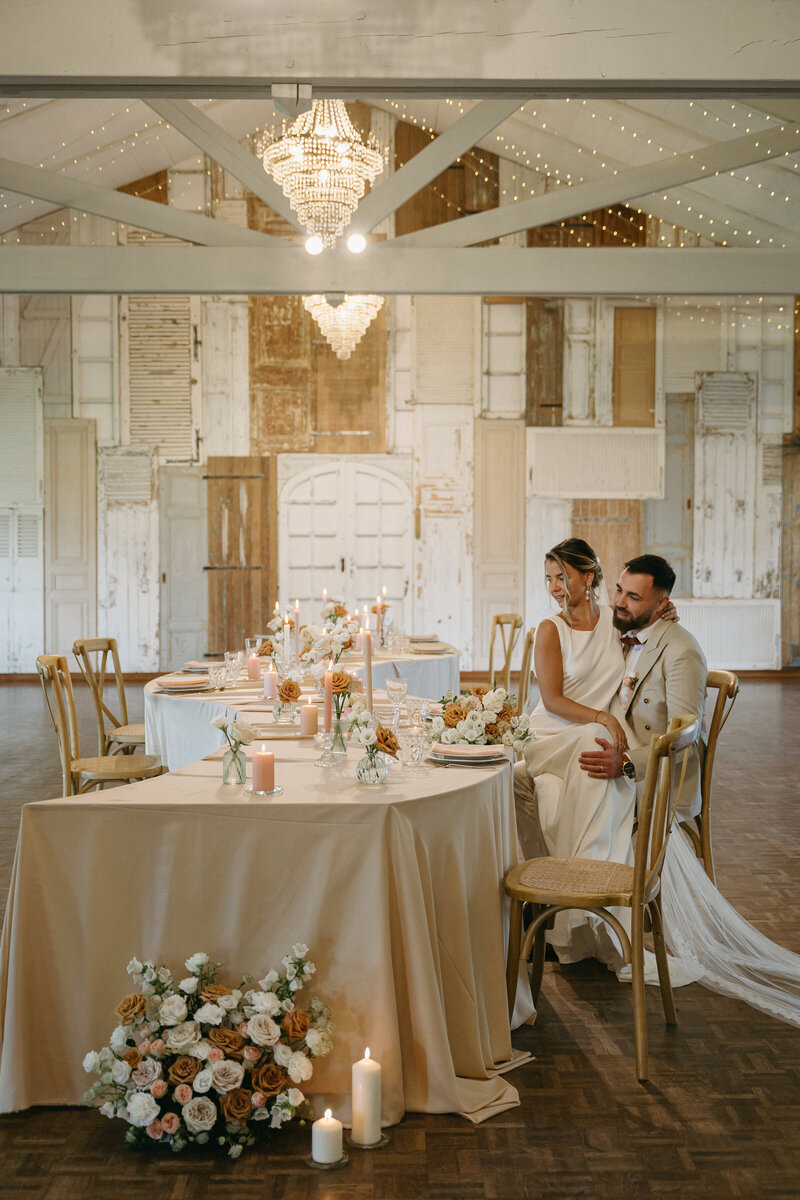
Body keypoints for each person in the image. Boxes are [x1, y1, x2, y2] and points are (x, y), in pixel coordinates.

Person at [513, 538, 800, 1028]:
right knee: (540, 783)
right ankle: (572, 921)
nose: (622, 603)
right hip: (587, 737)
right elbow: (566, 694)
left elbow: (685, 731)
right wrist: (610, 726)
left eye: (633, 596)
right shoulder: (623, 627)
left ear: (589, 577)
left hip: (630, 758)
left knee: (550, 781)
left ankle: (570, 913)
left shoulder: (659, 639)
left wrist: (626, 762)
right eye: (621, 593)